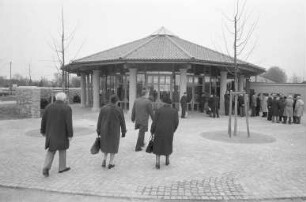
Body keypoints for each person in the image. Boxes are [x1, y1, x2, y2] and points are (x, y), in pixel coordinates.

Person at [41, 92, 73, 177]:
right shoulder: (67, 108)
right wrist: (70, 135)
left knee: (51, 150)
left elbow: (43, 120)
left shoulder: (48, 107)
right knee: (63, 149)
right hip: (62, 133)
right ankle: (62, 167)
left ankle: (46, 167)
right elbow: (69, 123)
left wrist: (43, 131)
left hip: (51, 133)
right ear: (64, 99)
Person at [97, 95, 127, 169]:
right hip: (114, 131)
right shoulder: (119, 109)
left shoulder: (103, 109)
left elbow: (99, 120)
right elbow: (122, 122)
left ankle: (104, 159)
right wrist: (123, 131)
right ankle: (111, 162)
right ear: (117, 101)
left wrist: (98, 130)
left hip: (104, 130)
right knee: (113, 146)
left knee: (106, 144)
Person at [150, 96, 179, 169]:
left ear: (163, 103)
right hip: (169, 130)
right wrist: (173, 130)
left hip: (159, 130)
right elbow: (176, 122)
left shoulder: (158, 110)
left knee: (158, 145)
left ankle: (157, 162)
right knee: (168, 144)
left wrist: (152, 130)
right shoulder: (174, 111)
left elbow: (154, 122)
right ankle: (167, 160)